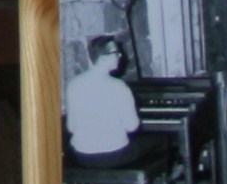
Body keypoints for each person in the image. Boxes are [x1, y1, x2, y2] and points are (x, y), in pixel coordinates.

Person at [63, 34, 157, 163]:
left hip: (81, 156)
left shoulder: (73, 85)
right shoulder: (119, 86)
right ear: (103, 59)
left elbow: (71, 128)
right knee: (160, 141)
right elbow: (132, 127)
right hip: (115, 155)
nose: (120, 56)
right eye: (115, 52)